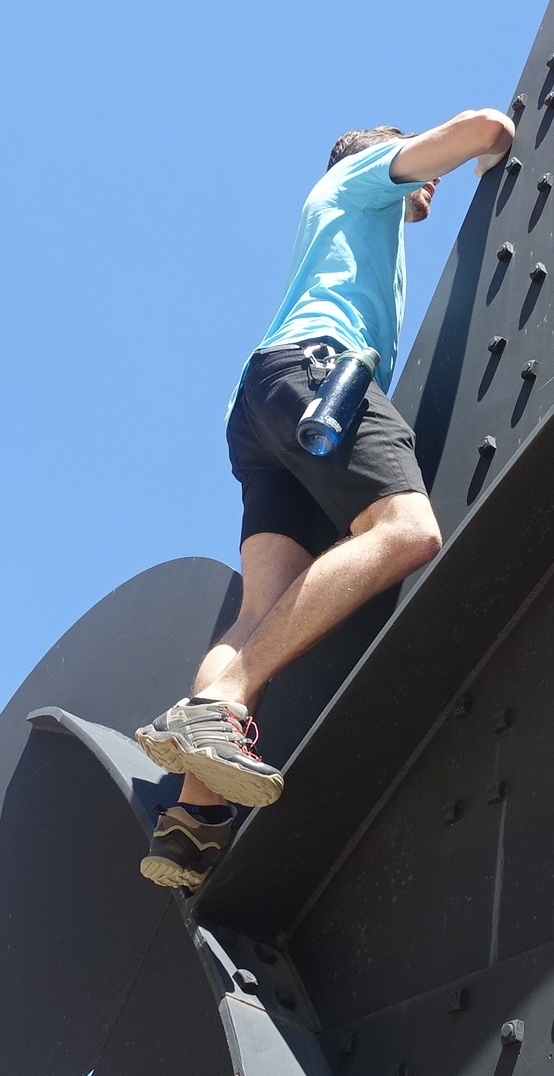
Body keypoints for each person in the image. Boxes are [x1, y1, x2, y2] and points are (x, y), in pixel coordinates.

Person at [133, 108, 516, 890]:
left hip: (264, 404)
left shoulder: (349, 224)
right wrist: (485, 161)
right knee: (408, 531)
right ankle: (220, 704)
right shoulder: (357, 180)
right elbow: (485, 127)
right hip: (321, 373)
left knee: (257, 612)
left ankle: (192, 817)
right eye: (414, 167)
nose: (429, 185)